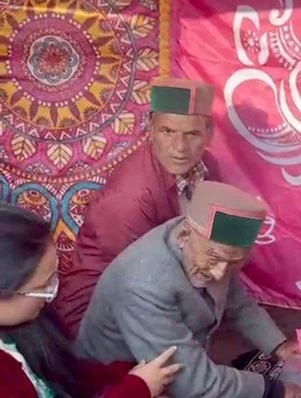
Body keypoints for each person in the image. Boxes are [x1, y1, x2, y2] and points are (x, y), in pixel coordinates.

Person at [76, 181, 301, 398]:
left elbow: (236, 301)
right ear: (184, 235)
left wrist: (278, 345)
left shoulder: (207, 246)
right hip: (118, 386)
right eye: (215, 259)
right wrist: (274, 391)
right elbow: (191, 382)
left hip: (177, 368)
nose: (220, 273)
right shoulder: (145, 284)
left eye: (233, 262)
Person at [53, 78, 223, 339]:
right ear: (150, 128)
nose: (179, 148)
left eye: (192, 134)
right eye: (167, 131)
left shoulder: (206, 167)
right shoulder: (131, 197)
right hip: (95, 317)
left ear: (208, 133)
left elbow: (213, 244)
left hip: (163, 287)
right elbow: (140, 282)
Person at [0, 203, 182, 398]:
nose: (51, 293)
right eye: (42, 287)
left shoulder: (27, 323)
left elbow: (69, 375)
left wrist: (127, 373)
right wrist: (137, 388)